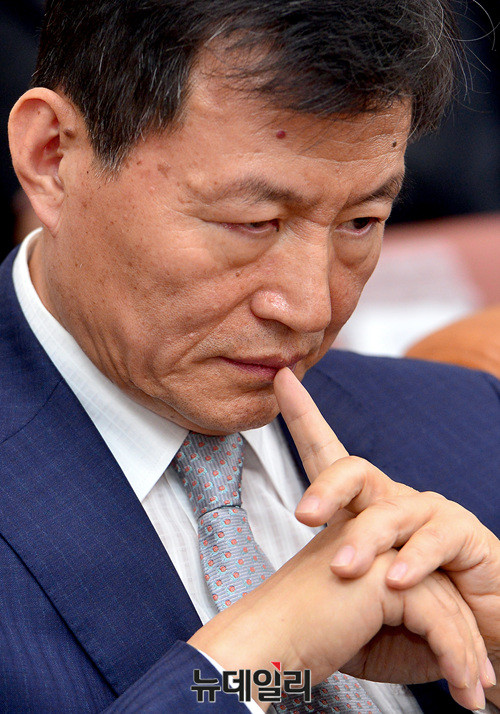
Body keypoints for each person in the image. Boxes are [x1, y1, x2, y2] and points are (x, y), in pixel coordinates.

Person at [2, 0, 500, 712]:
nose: (311, 307)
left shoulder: (470, 424)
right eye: (253, 222)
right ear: (53, 157)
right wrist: (255, 664)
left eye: (361, 222)